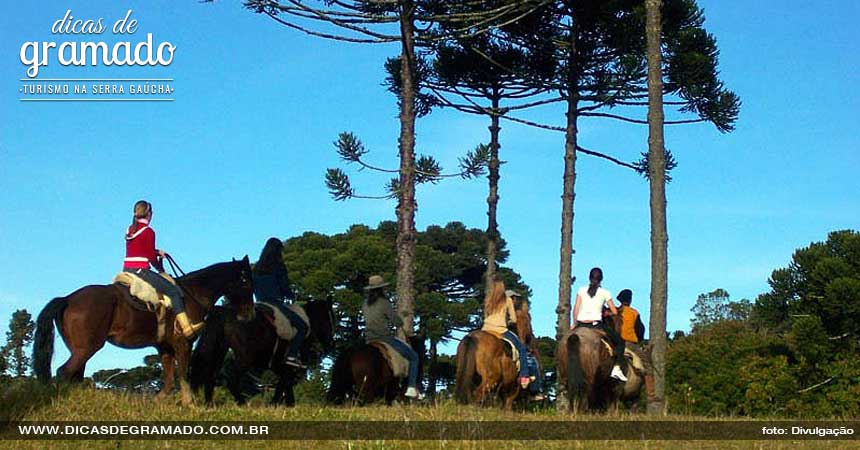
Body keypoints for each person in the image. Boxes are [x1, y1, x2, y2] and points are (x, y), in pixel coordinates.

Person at [123, 200, 202, 339]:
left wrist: (157, 251)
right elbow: (149, 256)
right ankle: (186, 328)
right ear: (149, 214)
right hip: (141, 271)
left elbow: (140, 249)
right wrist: (161, 269)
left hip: (127, 269)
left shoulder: (130, 229)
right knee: (174, 291)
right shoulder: (149, 231)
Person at [362, 275, 422, 399]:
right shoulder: (384, 303)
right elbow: (395, 321)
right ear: (381, 289)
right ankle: (411, 387)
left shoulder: (365, 304)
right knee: (414, 357)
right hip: (384, 337)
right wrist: (400, 321)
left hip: (369, 339)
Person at [253, 237, 307, 369]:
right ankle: (292, 355)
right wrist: (290, 295)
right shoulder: (278, 266)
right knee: (302, 327)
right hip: (274, 303)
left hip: (259, 303)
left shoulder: (256, 268)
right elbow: (284, 286)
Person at [573, 267, 628, 382]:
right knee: (619, 342)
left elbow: (576, 309)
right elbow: (615, 311)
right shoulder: (605, 293)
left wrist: (574, 323)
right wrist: (606, 312)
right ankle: (616, 369)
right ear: (601, 279)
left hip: (580, 324)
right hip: (595, 325)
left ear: (589, 278)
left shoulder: (581, 290)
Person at [482, 280, 531, 388]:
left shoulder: (488, 300)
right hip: (500, 329)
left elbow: (486, 315)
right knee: (521, 348)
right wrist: (507, 322)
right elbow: (513, 319)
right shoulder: (507, 300)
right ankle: (524, 376)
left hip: (486, 328)